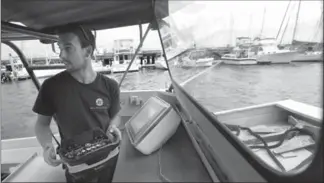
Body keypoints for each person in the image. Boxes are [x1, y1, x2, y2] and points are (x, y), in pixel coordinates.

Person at [33, 24, 122, 183]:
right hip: (77, 167)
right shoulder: (51, 87)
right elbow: (41, 124)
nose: (61, 55)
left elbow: (115, 116)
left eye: (68, 48)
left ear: (87, 51)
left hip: (110, 158)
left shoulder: (110, 85)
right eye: (59, 48)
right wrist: (47, 146)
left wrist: (113, 127)